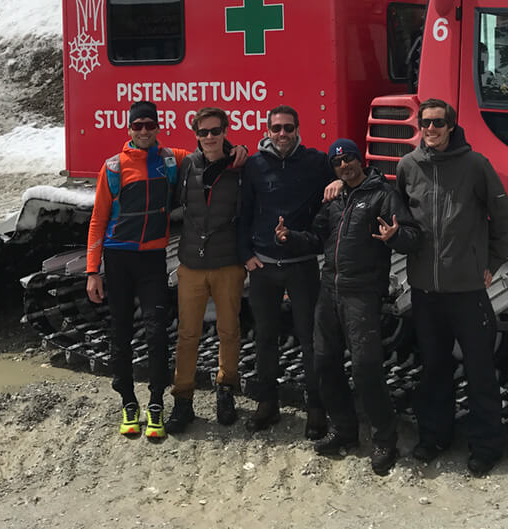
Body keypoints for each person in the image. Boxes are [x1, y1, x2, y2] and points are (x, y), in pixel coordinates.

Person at [85, 100, 245, 441]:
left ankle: (157, 402)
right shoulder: (114, 167)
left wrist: (240, 149)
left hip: (155, 259)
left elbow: (218, 153)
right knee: (124, 333)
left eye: (149, 125)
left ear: (158, 127)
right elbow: (98, 220)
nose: (144, 131)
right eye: (138, 125)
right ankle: (131, 402)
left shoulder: (172, 159)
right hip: (121, 259)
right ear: (129, 129)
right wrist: (92, 270)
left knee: (160, 334)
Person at [276, 138, 419, 475]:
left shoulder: (382, 194)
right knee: (324, 362)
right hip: (330, 290)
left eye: (350, 159)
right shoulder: (335, 200)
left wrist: (395, 237)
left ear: (360, 161)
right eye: (339, 163)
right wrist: (289, 238)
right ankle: (344, 431)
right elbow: (316, 238)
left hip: (362, 293)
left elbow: (412, 236)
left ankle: (385, 440)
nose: (345, 166)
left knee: (366, 367)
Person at [395, 98, 508, 476]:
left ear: (451, 126)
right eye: (425, 122)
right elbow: (401, 219)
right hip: (425, 293)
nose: (431, 129)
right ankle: (435, 436)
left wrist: (492, 263)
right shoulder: (407, 167)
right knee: (434, 368)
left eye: (438, 123)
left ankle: (487, 445)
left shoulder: (475, 165)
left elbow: (503, 216)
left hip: (466, 289)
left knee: (479, 369)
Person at [238, 105, 334, 438]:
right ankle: (267, 404)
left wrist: (337, 180)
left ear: (297, 129)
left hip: (301, 266)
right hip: (263, 267)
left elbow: (353, 172)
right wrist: (246, 255)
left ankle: (316, 408)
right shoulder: (254, 165)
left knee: (311, 339)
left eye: (288, 128)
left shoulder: (315, 162)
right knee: (265, 338)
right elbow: (243, 211)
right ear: (266, 130)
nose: (282, 134)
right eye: (276, 128)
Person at [164, 107, 248, 433]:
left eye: (215, 131)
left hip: (227, 263)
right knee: (188, 334)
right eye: (203, 132)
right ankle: (182, 398)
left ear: (226, 130)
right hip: (192, 265)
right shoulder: (187, 165)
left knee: (229, 331)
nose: (210, 138)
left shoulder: (240, 165)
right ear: (196, 135)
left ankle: (225, 388)